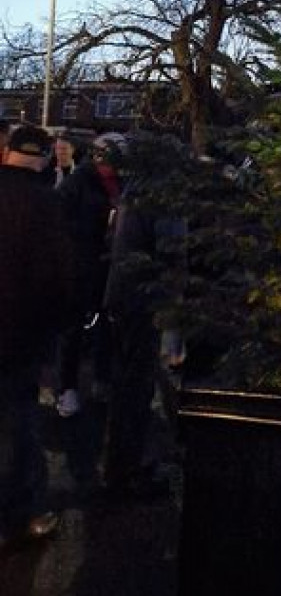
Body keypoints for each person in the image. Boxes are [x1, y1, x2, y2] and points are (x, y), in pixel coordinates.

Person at [101, 138, 187, 501]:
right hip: (142, 303)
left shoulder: (136, 189)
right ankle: (125, 474)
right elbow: (170, 252)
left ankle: (120, 465)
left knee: (126, 387)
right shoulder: (162, 195)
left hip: (122, 298)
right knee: (134, 390)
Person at [0, 123, 73, 548]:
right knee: (17, 425)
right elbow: (58, 280)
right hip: (19, 337)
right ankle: (19, 513)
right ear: (44, 156)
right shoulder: (46, 205)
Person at [53, 132, 124, 418]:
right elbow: (58, 221)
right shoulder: (76, 183)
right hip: (81, 264)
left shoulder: (121, 181)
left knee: (107, 325)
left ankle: (101, 378)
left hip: (109, 264)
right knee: (71, 329)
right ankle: (66, 387)